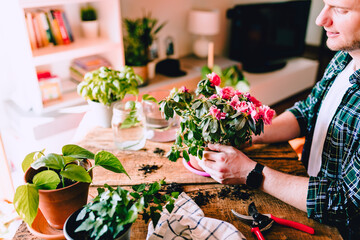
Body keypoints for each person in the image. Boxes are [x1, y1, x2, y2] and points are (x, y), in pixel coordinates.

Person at [197, 0, 360, 238]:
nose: (320, 19)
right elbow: (307, 112)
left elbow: (345, 204)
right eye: (325, 4)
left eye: (340, 9)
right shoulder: (344, 58)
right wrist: (249, 133)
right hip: (304, 189)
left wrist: (250, 173)